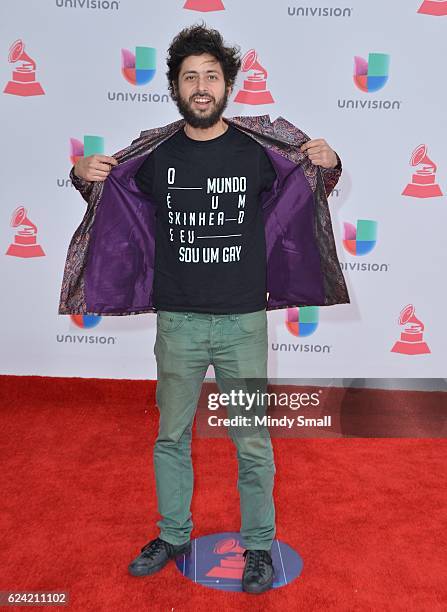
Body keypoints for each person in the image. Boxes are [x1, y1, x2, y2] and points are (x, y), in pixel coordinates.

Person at [61, 24, 349, 594]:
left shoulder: (259, 150)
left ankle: (260, 547)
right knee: (170, 436)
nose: (201, 86)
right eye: (190, 76)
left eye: (211, 76)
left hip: (242, 323)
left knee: (251, 439)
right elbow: (109, 194)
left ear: (227, 85)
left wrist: (330, 161)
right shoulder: (154, 153)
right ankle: (172, 534)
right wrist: (80, 174)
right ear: (175, 87)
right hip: (179, 324)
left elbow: (305, 188)